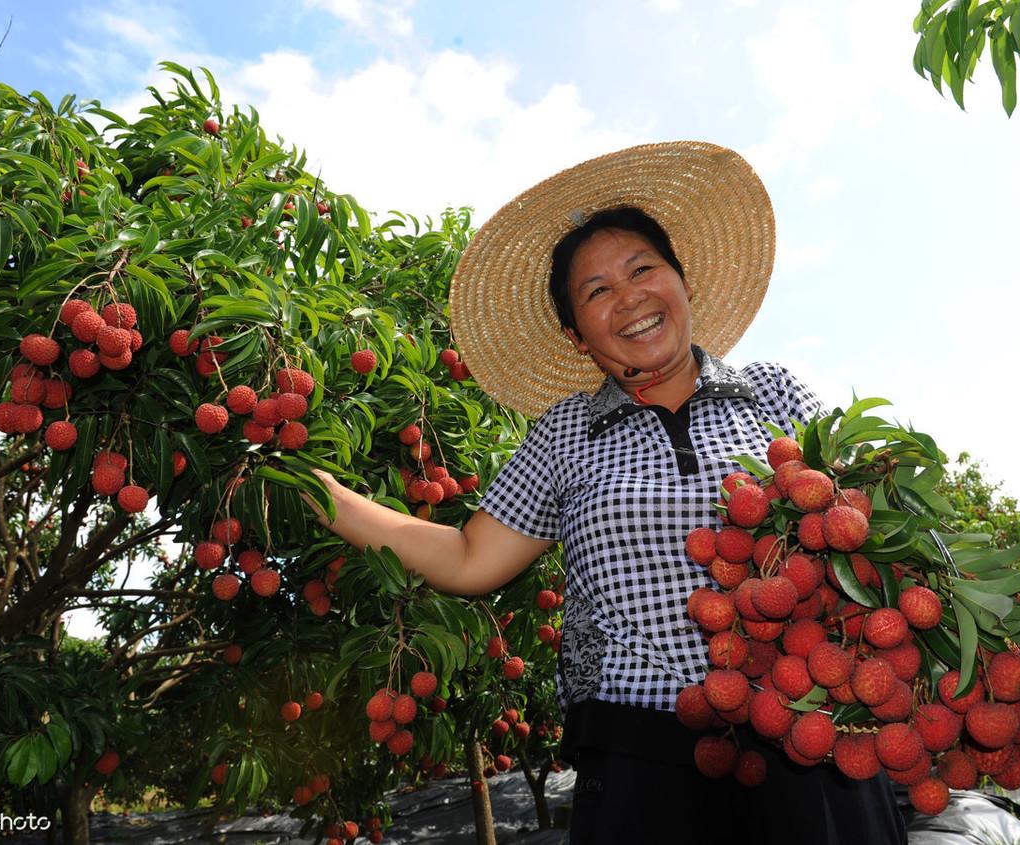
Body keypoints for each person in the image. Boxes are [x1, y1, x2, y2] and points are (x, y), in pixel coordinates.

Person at [306, 141, 908, 844]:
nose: (629, 299)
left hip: (811, 733)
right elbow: (471, 556)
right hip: (639, 760)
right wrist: (323, 494)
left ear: (682, 281)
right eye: (597, 292)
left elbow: (870, 529)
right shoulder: (565, 433)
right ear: (577, 336)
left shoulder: (774, 393)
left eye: (643, 269)